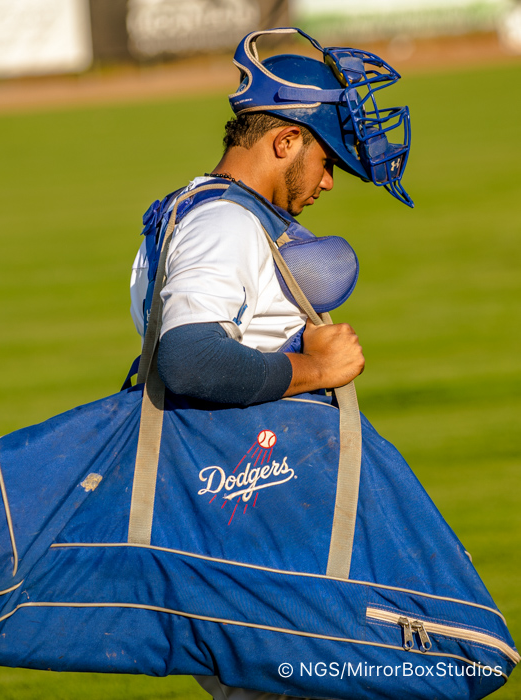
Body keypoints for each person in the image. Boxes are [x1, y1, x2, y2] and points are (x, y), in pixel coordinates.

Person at [130, 26, 412, 700]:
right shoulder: (223, 225)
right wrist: (317, 370)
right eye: (327, 159)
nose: (329, 181)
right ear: (285, 141)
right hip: (245, 524)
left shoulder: (193, 210)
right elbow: (190, 358)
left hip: (235, 506)